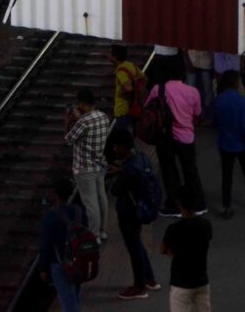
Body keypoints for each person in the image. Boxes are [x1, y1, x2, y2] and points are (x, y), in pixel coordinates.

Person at [146, 64, 207, 216]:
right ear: (183, 75)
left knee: (169, 170)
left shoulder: (157, 90)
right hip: (186, 138)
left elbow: (147, 109)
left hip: (164, 138)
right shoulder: (192, 91)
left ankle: (174, 205)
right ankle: (198, 203)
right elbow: (198, 114)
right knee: (190, 170)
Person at [110, 129, 161, 299]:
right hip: (141, 208)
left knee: (134, 248)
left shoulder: (130, 169)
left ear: (123, 147)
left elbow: (115, 190)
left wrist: (119, 174)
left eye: (116, 146)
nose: (114, 149)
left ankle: (139, 287)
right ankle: (149, 279)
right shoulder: (143, 158)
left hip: (129, 213)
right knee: (137, 244)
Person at [64, 88, 109, 239]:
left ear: (82, 103)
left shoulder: (83, 121)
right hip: (99, 164)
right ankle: (102, 231)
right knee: (101, 197)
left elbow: (69, 139)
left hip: (85, 167)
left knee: (90, 203)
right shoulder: (103, 116)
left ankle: (94, 235)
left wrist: (69, 120)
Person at [161, 186, 213, 311]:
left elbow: (162, 249)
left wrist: (175, 255)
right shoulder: (206, 225)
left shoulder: (174, 229)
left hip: (181, 284)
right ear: (195, 202)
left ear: (178, 203)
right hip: (201, 281)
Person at [38, 175, 85, 312]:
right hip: (79, 259)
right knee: (74, 297)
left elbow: (45, 245)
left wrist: (42, 268)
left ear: (55, 194)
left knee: (68, 302)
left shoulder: (51, 216)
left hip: (60, 264)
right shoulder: (78, 211)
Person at [212, 70, 245, 219]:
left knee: (227, 176)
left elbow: (216, 122)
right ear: (236, 83)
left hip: (225, 144)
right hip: (241, 144)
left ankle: (227, 206)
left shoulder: (218, 100)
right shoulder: (242, 101)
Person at [186, 50, 214, 120]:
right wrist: (188, 61)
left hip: (205, 61)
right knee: (191, 91)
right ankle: (192, 114)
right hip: (193, 60)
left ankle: (207, 116)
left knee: (207, 91)